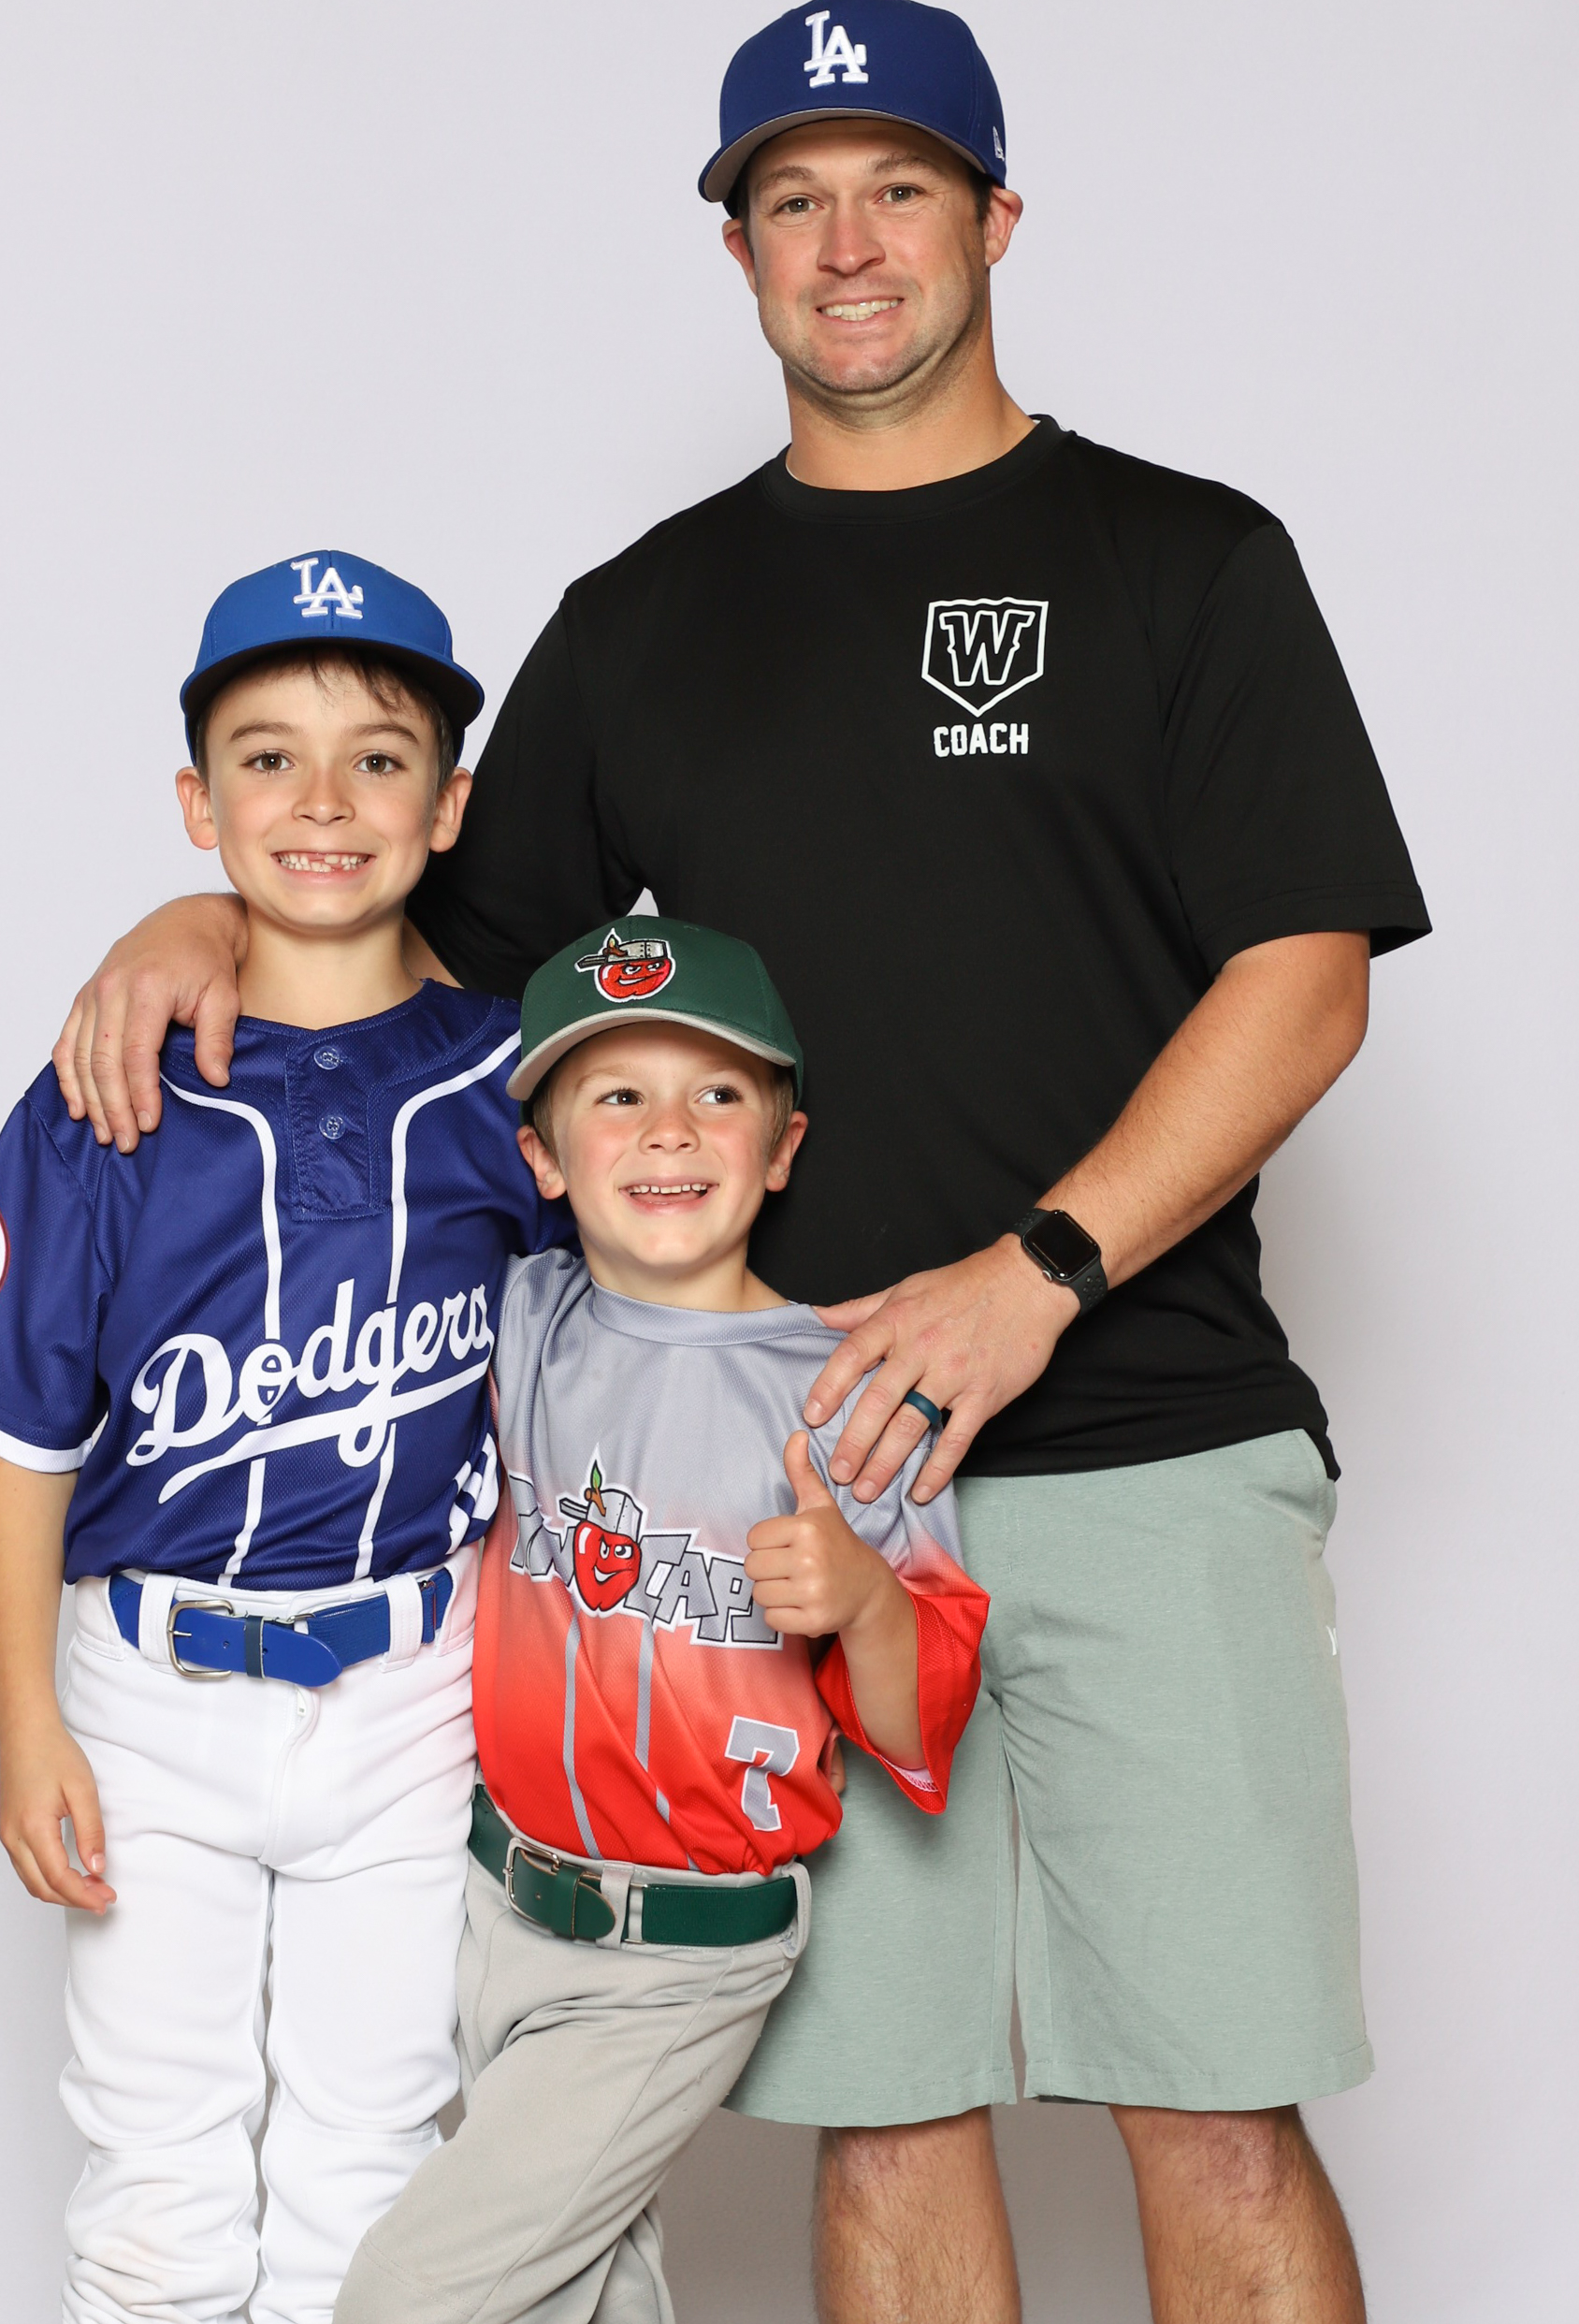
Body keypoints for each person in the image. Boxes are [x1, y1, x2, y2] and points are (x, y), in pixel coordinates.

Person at [53, 0, 1429, 2324]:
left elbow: (1304, 975)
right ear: (738, 251)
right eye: (794, 200)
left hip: (1146, 1437)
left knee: (1213, 2102)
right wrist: (204, 915)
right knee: (882, 2117)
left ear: (996, 220)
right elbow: (427, 963)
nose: (848, 242)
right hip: (765, 1500)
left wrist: (1035, 1270)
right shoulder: (641, 622)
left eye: (898, 188)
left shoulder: (1181, 561)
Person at [0, 553, 569, 2324]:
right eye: (268, 760)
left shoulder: (519, 1082)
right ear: (198, 805)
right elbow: (18, 1434)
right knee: (156, 2179)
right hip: (149, 1690)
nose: (322, 801)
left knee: (376, 2162)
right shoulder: (108, 1081)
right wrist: (23, 1718)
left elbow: (624, 1357)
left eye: (378, 759)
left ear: (448, 807)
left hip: (416, 1690)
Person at [335, 916, 987, 2324]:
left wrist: (865, 1598)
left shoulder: (852, 1390)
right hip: (497, 1907)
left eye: (718, 1093)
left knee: (408, 2297)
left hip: (678, 1946)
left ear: (784, 1145)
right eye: (618, 1095)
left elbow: (919, 1724)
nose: (669, 1131)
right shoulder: (520, 1317)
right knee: (582, 2294)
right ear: (544, 1159)